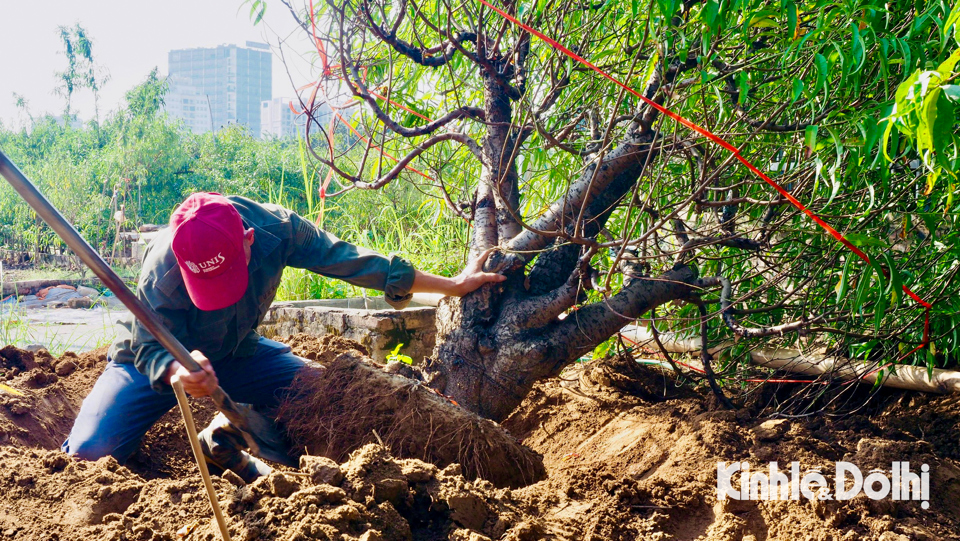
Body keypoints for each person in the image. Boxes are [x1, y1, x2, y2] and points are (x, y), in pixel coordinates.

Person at [62, 192, 504, 481]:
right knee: (88, 454)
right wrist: (178, 370)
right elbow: (146, 341)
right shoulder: (164, 264)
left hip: (238, 353)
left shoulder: (279, 230)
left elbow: (353, 262)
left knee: (324, 401)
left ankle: (228, 438)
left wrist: (453, 284)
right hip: (152, 360)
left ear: (250, 241)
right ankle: (208, 428)